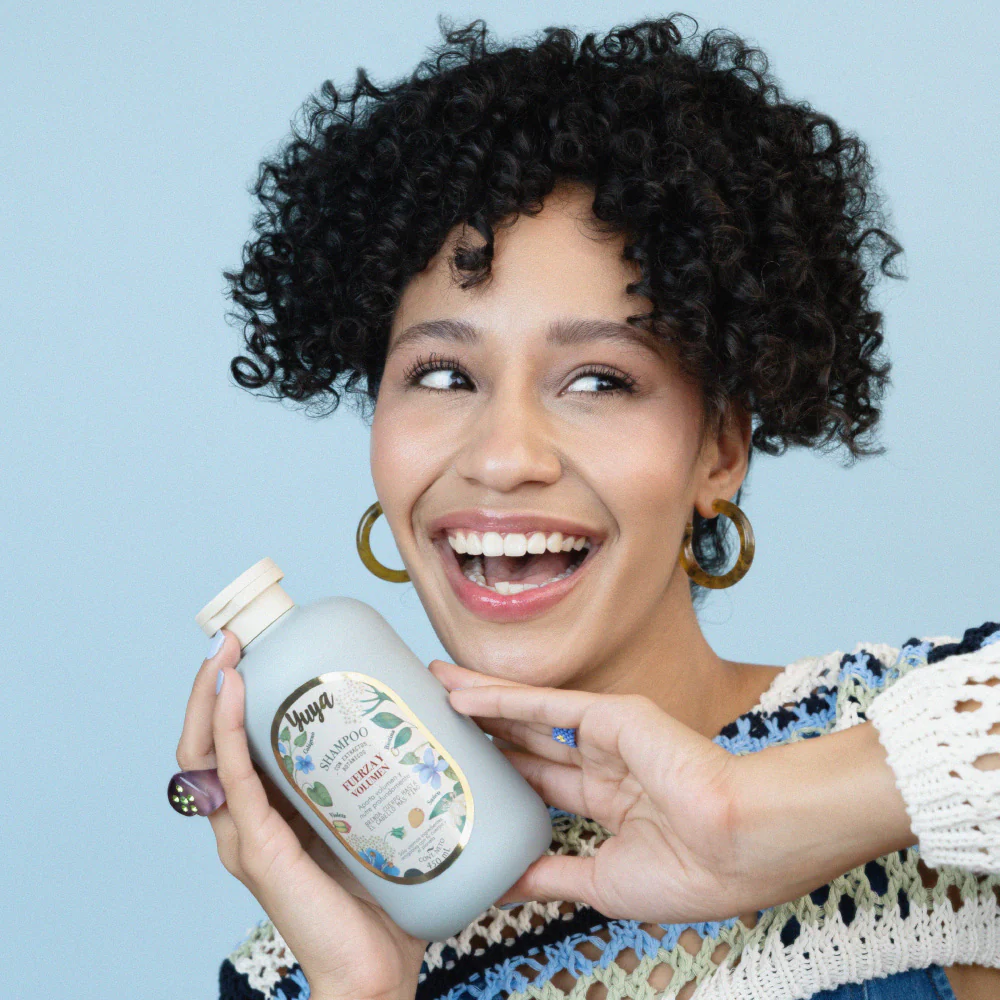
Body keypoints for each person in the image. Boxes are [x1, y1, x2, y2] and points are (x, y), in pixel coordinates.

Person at [171, 16, 1000, 1000]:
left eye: (599, 380)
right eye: (441, 374)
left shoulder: (929, 745)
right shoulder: (300, 968)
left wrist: (762, 810)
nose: (503, 458)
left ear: (721, 450)